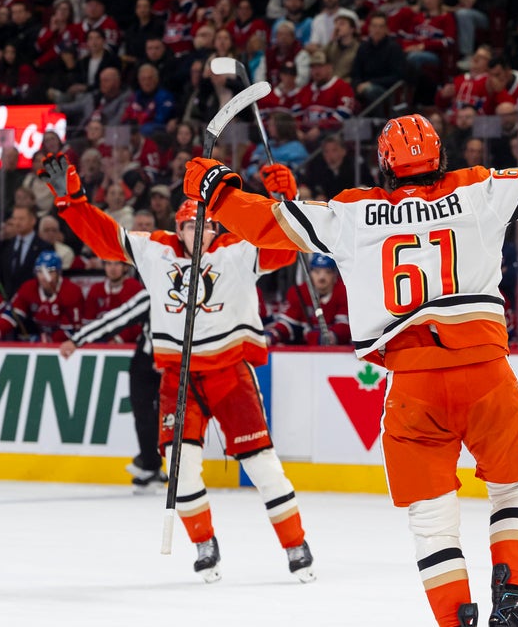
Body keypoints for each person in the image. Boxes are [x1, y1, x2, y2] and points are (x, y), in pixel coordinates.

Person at [189, 102, 518, 626]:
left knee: (432, 520)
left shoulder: (353, 211)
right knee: (513, 487)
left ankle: (456, 620)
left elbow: (268, 224)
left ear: (385, 165)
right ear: (440, 155)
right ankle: (511, 599)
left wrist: (218, 190)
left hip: (413, 386)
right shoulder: (478, 187)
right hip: (485, 373)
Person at [33, 158, 317, 585]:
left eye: (208, 228)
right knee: (180, 469)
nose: (199, 235)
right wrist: (72, 203)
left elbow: (287, 242)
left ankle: (295, 543)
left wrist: (287, 200)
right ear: (180, 228)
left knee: (262, 466)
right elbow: (109, 241)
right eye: (191, 228)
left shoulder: (238, 252)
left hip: (229, 374)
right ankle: (204, 543)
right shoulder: (156, 250)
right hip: (177, 378)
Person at [60, 286, 166, 491]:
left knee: (173, 416)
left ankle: (160, 462)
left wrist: (173, 359)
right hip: (145, 361)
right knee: (143, 412)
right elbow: (115, 320)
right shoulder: (152, 296)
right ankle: (151, 465)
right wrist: (77, 340)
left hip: (179, 362)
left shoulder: (198, 297)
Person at [0, 251, 83, 343]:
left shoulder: (71, 291)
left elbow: (72, 330)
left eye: (50, 272)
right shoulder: (29, 288)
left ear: (59, 272)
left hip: (67, 346)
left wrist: (47, 340)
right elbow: (12, 315)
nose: (44, 277)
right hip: (41, 339)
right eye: (40, 271)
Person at [264, 254, 351, 345]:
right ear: (310, 274)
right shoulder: (299, 292)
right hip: (305, 351)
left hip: (337, 353)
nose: (322, 277)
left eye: (328, 272)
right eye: (317, 272)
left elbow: (345, 326)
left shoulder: (344, 292)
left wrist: (331, 336)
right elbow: (288, 323)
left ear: (335, 275)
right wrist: (273, 334)